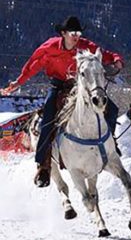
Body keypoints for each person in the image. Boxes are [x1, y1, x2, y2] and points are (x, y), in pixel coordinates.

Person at [1, 16, 123, 187]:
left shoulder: (84, 45)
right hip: (58, 87)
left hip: (79, 87)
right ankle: (43, 165)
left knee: (112, 109)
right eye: (73, 33)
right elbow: (33, 64)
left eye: (78, 33)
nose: (76, 36)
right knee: (48, 120)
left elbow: (104, 54)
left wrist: (117, 60)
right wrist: (18, 82)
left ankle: (110, 144)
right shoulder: (50, 47)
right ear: (63, 33)